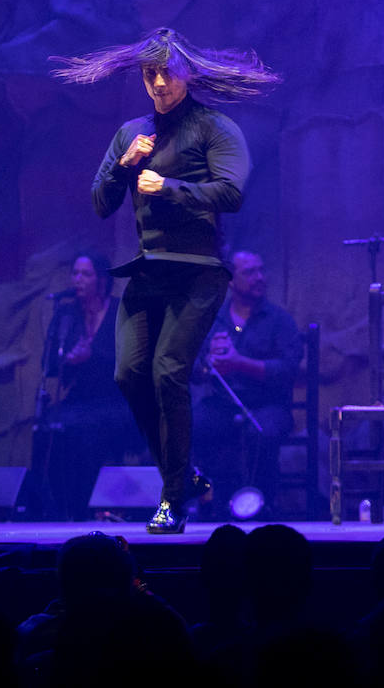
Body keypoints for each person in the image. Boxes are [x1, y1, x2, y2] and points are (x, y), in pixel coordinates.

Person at [52, 27, 281, 533]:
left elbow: (232, 192)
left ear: (187, 73)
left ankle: (173, 498)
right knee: (128, 375)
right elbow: (100, 202)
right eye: (149, 74)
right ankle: (185, 474)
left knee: (168, 372)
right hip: (149, 268)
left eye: (166, 72)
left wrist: (170, 186)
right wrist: (125, 166)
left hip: (199, 271)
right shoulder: (131, 134)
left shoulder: (214, 128)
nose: (157, 82)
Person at [193, 250, 302, 518]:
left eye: (261, 271)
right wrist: (208, 364)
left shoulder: (279, 320)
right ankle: (203, 502)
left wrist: (240, 363)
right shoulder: (212, 318)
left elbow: (288, 369)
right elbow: (191, 365)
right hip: (222, 404)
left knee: (260, 432)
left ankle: (260, 508)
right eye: (250, 272)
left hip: (269, 406)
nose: (259, 278)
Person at [37, 252, 140, 520]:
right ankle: (57, 507)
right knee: (47, 426)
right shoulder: (66, 313)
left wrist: (92, 357)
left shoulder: (122, 310)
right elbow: (48, 364)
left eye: (85, 274)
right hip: (80, 398)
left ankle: (88, 507)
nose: (78, 280)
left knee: (85, 431)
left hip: (118, 399)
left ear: (102, 279)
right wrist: (69, 360)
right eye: (75, 274)